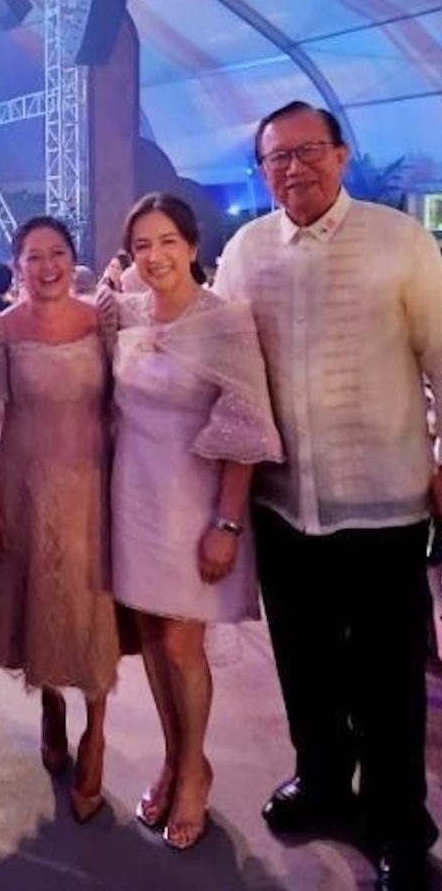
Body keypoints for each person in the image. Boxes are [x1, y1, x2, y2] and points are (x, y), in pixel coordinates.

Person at [214, 101, 442, 891]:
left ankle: (400, 827)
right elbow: (221, 361)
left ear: (342, 155)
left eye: (308, 151)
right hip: (284, 510)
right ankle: (321, 784)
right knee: (305, 666)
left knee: (387, 680)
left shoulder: (400, 241)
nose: (293, 168)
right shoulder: (245, 251)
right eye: (276, 158)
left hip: (384, 508)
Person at [101, 193, 281, 849]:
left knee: (183, 643)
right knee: (150, 633)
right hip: (133, 498)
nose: (155, 256)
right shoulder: (122, 313)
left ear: (194, 246)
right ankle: (174, 756)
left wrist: (227, 525)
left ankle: (196, 769)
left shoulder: (225, 322)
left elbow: (245, 429)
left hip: (194, 507)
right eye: (142, 245)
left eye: (167, 241)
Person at [0, 216, 121, 823]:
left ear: (72, 258)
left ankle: (98, 731)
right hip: (26, 482)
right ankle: (53, 703)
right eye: (33, 256)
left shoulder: (102, 320)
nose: (47, 266)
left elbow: (125, 401)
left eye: (57, 253)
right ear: (17, 262)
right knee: (42, 601)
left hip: (95, 485)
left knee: (93, 608)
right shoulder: (0, 329)